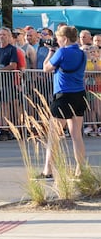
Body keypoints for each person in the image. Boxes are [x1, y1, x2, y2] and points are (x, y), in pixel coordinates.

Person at [41, 25, 88, 179]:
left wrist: (50, 51)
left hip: (63, 95)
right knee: (76, 135)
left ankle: (48, 170)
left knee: (53, 135)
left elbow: (46, 68)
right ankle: (80, 170)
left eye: (59, 39)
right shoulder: (82, 54)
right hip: (79, 94)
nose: (58, 42)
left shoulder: (61, 51)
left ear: (65, 39)